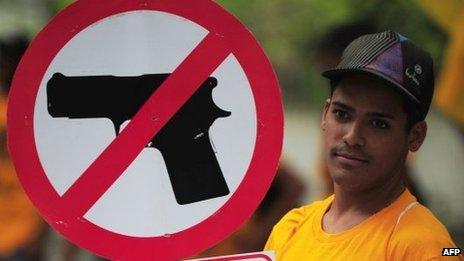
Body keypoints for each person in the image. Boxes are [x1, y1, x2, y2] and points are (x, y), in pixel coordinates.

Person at [264, 30, 463, 260]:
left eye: (378, 123)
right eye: (342, 114)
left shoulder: (424, 248)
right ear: (325, 114)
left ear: (415, 136)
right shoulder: (291, 229)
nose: (352, 136)